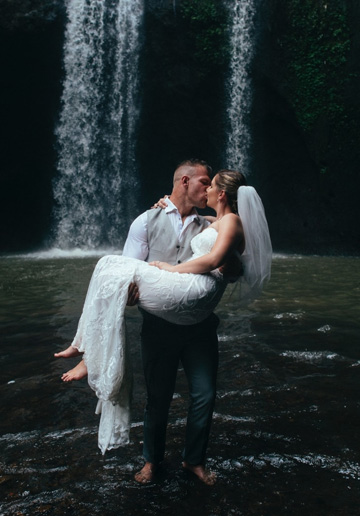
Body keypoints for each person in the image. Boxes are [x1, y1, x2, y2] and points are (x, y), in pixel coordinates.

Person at [55, 160, 272, 485]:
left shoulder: (211, 221)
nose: (207, 188)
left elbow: (237, 255)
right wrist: (129, 291)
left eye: (211, 184)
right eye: (203, 182)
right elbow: (131, 264)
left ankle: (194, 461)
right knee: (158, 396)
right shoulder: (147, 219)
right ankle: (151, 461)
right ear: (185, 182)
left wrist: (233, 268)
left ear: (222, 193)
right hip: (159, 324)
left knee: (205, 395)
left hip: (198, 324)